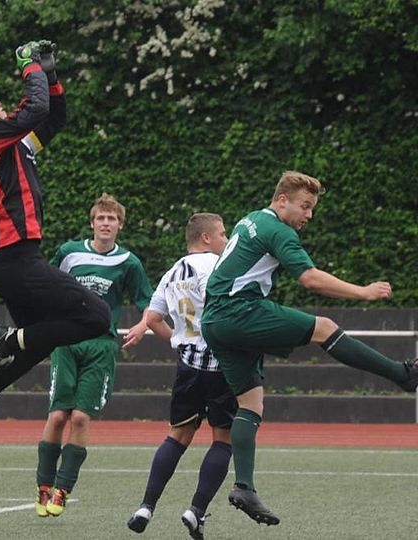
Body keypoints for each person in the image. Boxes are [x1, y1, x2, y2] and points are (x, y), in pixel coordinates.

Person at [199, 171, 418, 526]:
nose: (309, 215)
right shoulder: (278, 230)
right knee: (325, 328)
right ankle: (403, 374)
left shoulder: (251, 219)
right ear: (282, 200)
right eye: (305, 206)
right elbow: (310, 279)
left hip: (213, 322)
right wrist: (363, 291)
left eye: (312, 208)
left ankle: (244, 487)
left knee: (250, 403)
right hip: (238, 312)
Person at [0, 40, 111, 447]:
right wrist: (28, 64)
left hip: (11, 261)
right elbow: (34, 109)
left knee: (38, 342)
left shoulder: (11, 145)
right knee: (98, 316)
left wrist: (50, 76)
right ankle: (9, 338)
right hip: (14, 261)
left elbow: (52, 118)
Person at [34, 194, 152, 518]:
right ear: (92, 223)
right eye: (101, 218)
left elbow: (148, 303)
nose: (105, 223)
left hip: (101, 346)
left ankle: (62, 490)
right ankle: (43, 485)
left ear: (120, 225)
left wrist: (142, 326)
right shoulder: (70, 253)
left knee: (81, 418)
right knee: (58, 415)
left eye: (112, 219)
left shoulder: (129, 262)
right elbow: (45, 285)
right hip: (66, 340)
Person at [122, 213, 232, 540]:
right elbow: (223, 309)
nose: (227, 240)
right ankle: (196, 510)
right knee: (224, 440)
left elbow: (153, 318)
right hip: (221, 364)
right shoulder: (217, 266)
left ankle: (146, 506)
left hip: (188, 366)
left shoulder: (173, 271)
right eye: (223, 234)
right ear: (206, 238)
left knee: (177, 436)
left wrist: (179, 342)